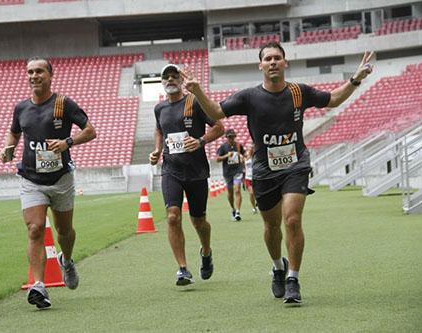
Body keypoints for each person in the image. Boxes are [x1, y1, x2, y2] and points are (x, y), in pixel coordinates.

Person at [181, 41, 374, 303]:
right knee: (272, 226)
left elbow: (334, 99)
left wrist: (355, 78)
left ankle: (293, 278)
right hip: (264, 169)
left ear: (285, 63)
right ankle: (278, 267)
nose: (273, 62)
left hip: (296, 164)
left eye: (277, 58)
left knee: (292, 219)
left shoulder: (298, 92)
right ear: (260, 65)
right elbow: (216, 112)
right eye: (268, 59)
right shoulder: (248, 97)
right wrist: (197, 90)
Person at [0, 57, 97, 309]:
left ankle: (67, 260)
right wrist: (9, 146)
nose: (34, 76)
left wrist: (68, 143)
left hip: (61, 178)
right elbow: (14, 131)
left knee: (64, 232)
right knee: (35, 228)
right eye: (30, 72)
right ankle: (39, 286)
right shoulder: (21, 108)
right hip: (31, 178)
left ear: (50, 75)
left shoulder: (63, 104)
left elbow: (90, 130)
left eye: (39, 71)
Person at [149, 64, 225, 286]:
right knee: (172, 216)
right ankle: (182, 269)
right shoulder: (159, 108)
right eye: (166, 76)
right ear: (162, 82)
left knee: (198, 221)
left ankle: (206, 251)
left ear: (181, 81)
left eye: (175, 76)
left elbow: (219, 127)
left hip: (196, 171)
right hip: (171, 169)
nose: (171, 79)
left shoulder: (194, 102)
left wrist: (200, 141)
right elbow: (159, 130)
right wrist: (157, 150)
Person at [216, 129, 245, 221]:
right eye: (229, 137)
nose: (231, 138)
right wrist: (227, 156)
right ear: (226, 137)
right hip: (227, 172)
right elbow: (217, 159)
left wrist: (242, 158)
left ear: (235, 136)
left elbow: (245, 155)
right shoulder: (223, 147)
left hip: (238, 170)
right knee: (230, 192)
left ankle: (238, 212)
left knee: (237, 190)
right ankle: (232, 208)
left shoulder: (239, 145)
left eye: (232, 136)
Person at [244, 143, 258, 215]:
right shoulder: (245, 157)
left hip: (256, 177)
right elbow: (243, 168)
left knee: (257, 193)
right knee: (251, 193)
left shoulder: (257, 156)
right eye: (250, 148)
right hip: (248, 178)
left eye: (252, 148)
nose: (251, 150)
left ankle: (257, 203)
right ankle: (254, 208)